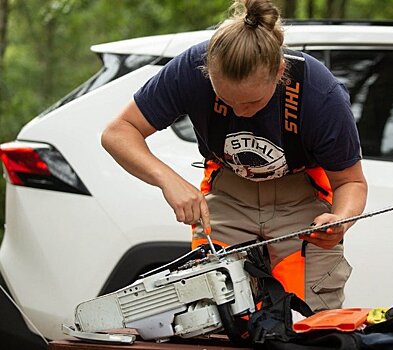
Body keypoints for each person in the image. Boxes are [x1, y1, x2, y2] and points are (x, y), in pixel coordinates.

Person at [101, 0, 367, 312]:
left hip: (302, 202)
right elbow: (119, 132)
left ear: (279, 72)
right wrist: (168, 180)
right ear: (207, 71)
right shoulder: (190, 69)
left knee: (314, 321)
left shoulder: (319, 92)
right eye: (225, 99)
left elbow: (351, 183)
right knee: (215, 313)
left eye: (253, 102)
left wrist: (340, 220)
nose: (240, 112)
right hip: (228, 196)